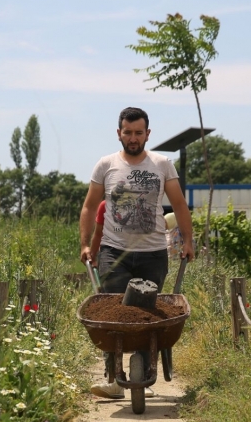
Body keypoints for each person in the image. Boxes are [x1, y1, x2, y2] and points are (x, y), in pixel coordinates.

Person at [79, 106, 195, 399]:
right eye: (128, 132)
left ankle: (144, 375)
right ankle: (116, 380)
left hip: (153, 251)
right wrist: (85, 243)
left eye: (138, 133)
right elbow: (90, 206)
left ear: (147, 134)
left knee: (147, 315)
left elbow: (179, 205)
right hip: (112, 251)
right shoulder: (105, 165)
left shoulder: (162, 164)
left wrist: (188, 240)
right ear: (119, 133)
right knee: (113, 313)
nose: (133, 138)